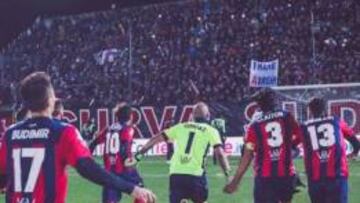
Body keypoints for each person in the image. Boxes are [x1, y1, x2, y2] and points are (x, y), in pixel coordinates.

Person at [0, 72, 156, 203]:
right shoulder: (63, 132)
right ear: (49, 101)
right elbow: (88, 169)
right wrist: (131, 188)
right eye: (53, 95)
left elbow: (2, 176)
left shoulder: (10, 134)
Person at [134, 102, 231, 203]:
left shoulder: (181, 127)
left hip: (176, 174)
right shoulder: (211, 130)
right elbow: (219, 153)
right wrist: (227, 173)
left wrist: (138, 155)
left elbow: (155, 139)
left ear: (192, 116)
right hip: (195, 174)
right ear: (208, 116)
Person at [224, 88, 301, 203]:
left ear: (261, 105)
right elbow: (299, 136)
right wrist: (290, 147)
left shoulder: (254, 126)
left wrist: (236, 181)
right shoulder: (287, 117)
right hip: (287, 175)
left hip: (265, 178)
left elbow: (248, 155)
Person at [294, 97, 360, 203]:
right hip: (337, 175)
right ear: (325, 109)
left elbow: (292, 146)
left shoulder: (304, 127)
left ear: (310, 110)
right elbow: (356, 143)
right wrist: (353, 153)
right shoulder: (336, 121)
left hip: (315, 178)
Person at [89, 104, 145, 203]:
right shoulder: (128, 129)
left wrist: (88, 158)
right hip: (124, 169)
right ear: (131, 116)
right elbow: (125, 147)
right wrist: (128, 161)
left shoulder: (109, 129)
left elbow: (93, 143)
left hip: (109, 171)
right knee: (141, 193)